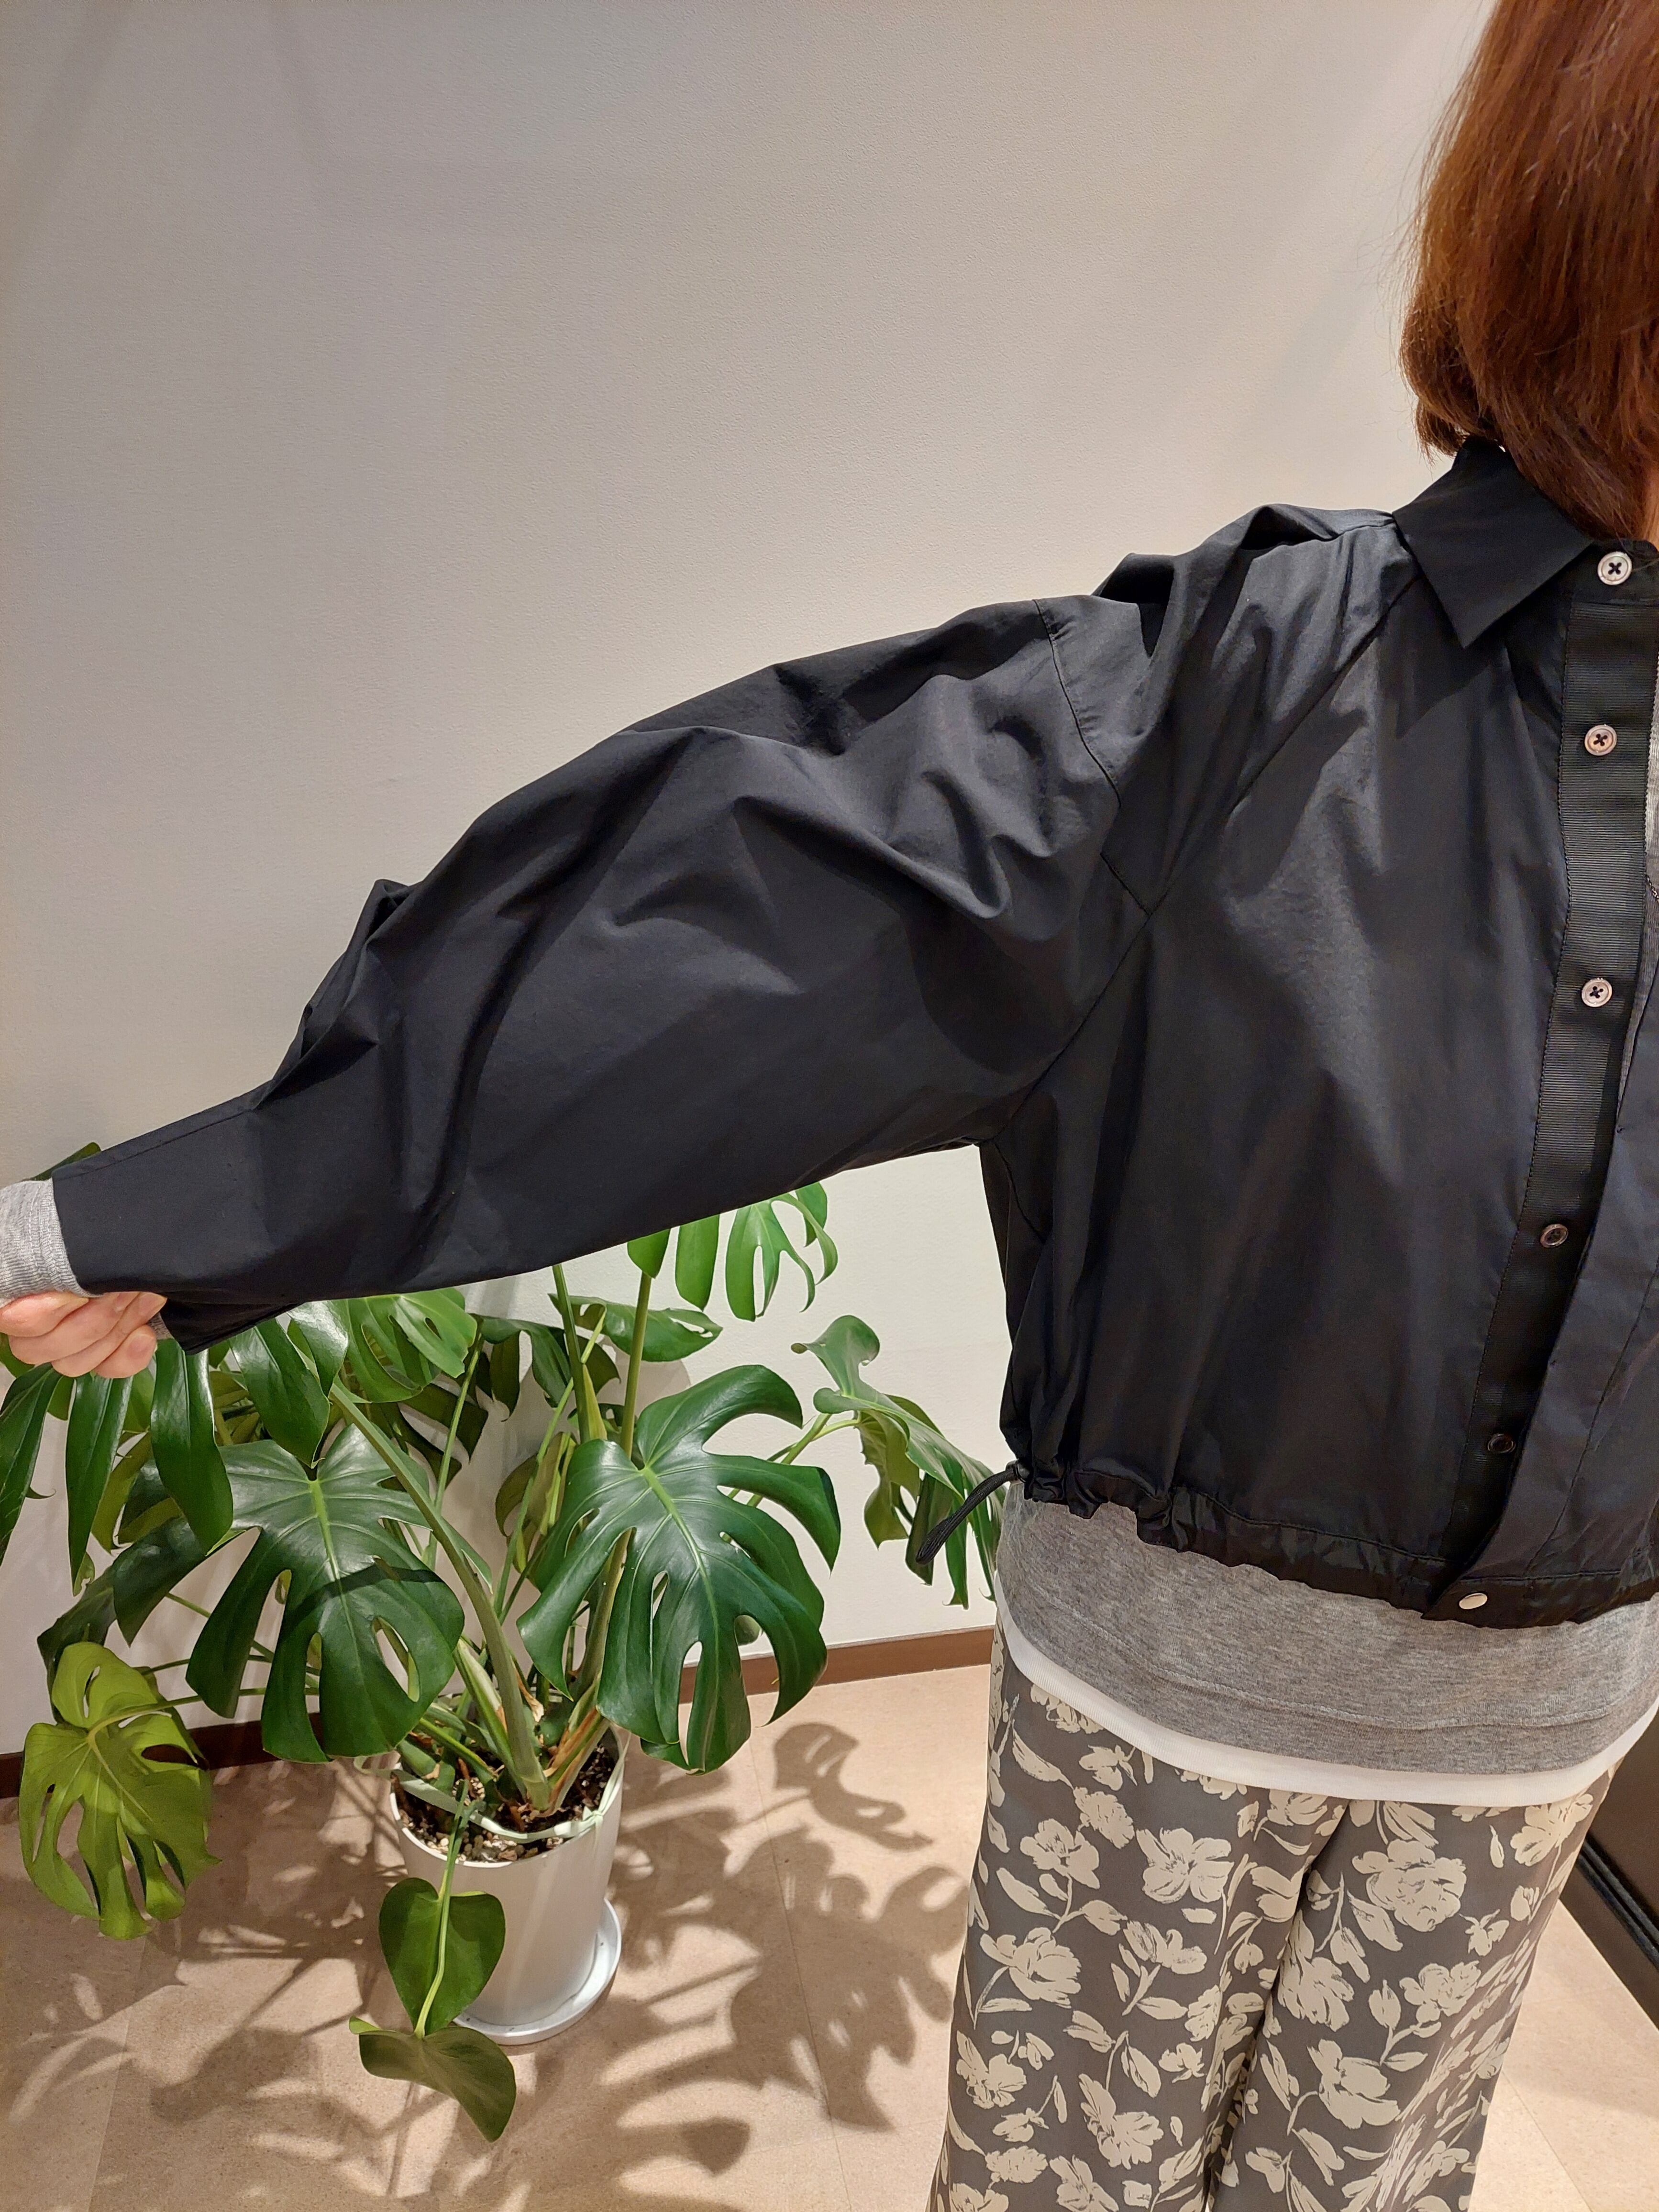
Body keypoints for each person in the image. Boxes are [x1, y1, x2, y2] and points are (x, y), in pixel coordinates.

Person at [6, 0, 1659, 2200]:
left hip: (1548, 1726)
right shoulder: (1251, 690)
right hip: (1176, 1718)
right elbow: (723, 930)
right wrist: (190, 1213)